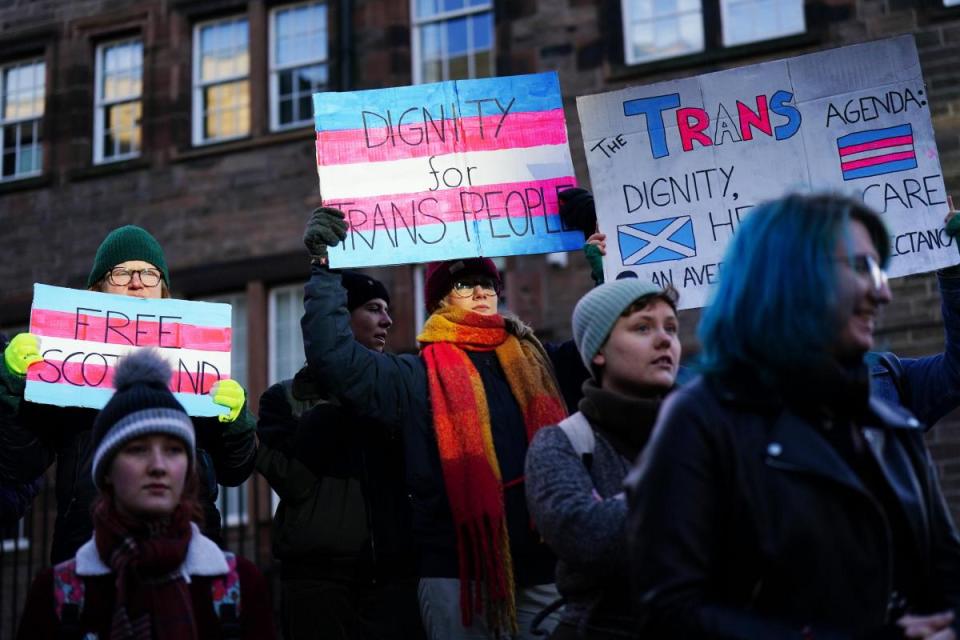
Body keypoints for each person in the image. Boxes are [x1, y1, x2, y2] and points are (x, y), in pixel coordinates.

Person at [626, 194, 960, 638]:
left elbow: (946, 577)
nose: (883, 291)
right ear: (792, 278)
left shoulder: (890, 426)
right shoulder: (701, 421)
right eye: (862, 267)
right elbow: (672, 612)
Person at [301, 207, 574, 639]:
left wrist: (603, 248)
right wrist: (323, 271)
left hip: (545, 568)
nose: (482, 291)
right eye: (465, 284)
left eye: (488, 282)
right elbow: (336, 361)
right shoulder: (415, 376)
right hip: (457, 576)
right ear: (440, 299)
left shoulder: (541, 359)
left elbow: (612, 343)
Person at [0, 225, 257, 562]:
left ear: (163, 293)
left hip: (191, 551)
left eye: (149, 274)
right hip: (88, 551)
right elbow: (17, 464)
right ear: (97, 291)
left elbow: (236, 471)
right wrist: (11, 388)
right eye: (121, 273)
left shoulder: (197, 371)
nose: (137, 282)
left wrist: (237, 424)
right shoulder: (62, 373)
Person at [17, 349, 274, 639]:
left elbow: (236, 466)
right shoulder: (54, 595)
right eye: (137, 449)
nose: (158, 466)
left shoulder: (241, 587)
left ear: (190, 469)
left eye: (174, 450)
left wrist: (237, 427)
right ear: (106, 471)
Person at [257, 271, 424, 640]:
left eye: (388, 310)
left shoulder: (398, 393)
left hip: (393, 584)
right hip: (318, 585)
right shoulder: (283, 399)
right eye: (373, 308)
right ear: (338, 316)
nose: (387, 320)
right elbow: (291, 481)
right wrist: (326, 419)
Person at [525, 279, 681, 639]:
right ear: (598, 350)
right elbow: (588, 537)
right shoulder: (561, 443)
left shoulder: (708, 431)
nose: (664, 340)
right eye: (642, 327)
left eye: (670, 328)